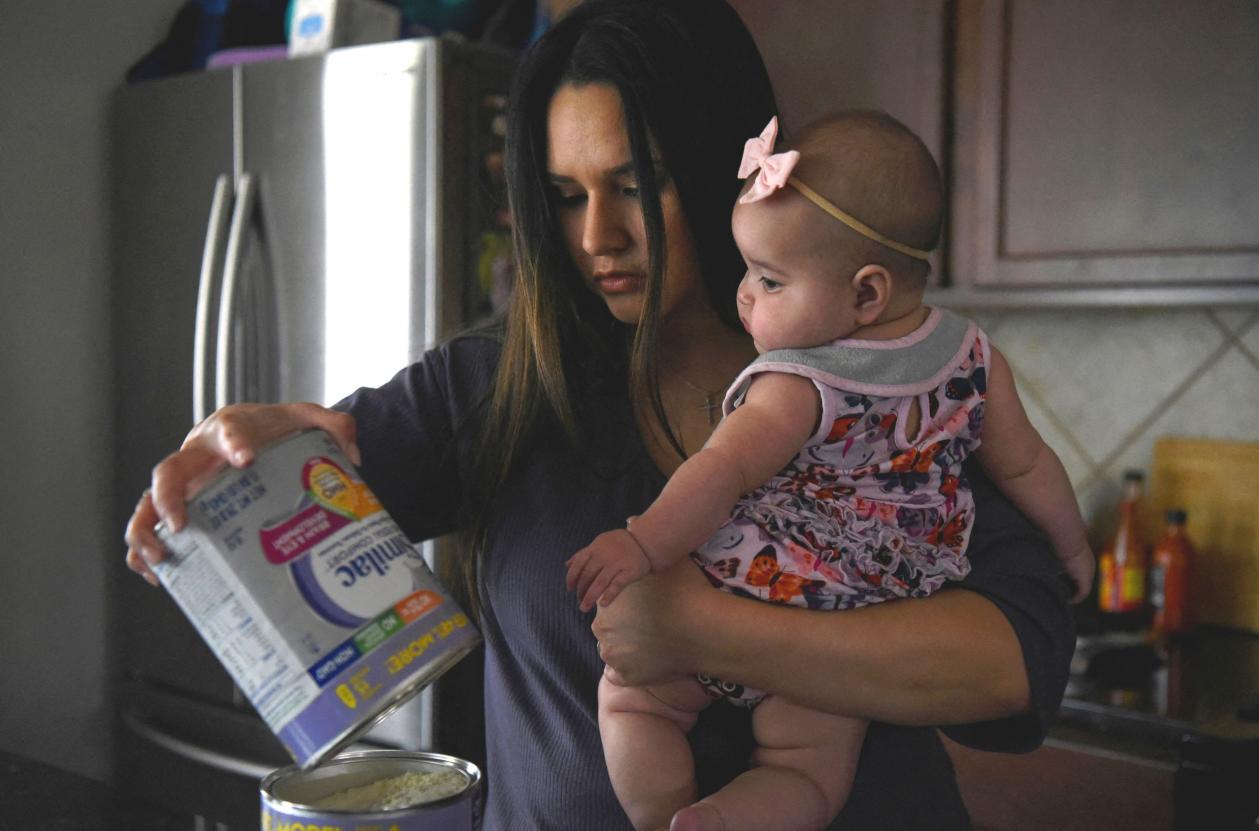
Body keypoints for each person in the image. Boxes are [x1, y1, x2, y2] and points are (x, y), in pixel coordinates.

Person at [123, 1, 1077, 828]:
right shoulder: (503, 382)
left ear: (726, 172)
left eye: (636, 184)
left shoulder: (888, 380)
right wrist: (237, 469)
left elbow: (1010, 663)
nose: (596, 238)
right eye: (566, 195)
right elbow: (314, 491)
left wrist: (705, 631)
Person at [564, 109, 1093, 830]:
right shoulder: (973, 357)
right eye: (749, 269)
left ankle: (663, 815)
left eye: (772, 280)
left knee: (632, 699)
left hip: (757, 578)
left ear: (866, 293)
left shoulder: (799, 381)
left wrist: (643, 543)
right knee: (808, 770)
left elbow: (720, 472)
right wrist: (1072, 549)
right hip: (872, 606)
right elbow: (1031, 467)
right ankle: (727, 820)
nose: (746, 293)